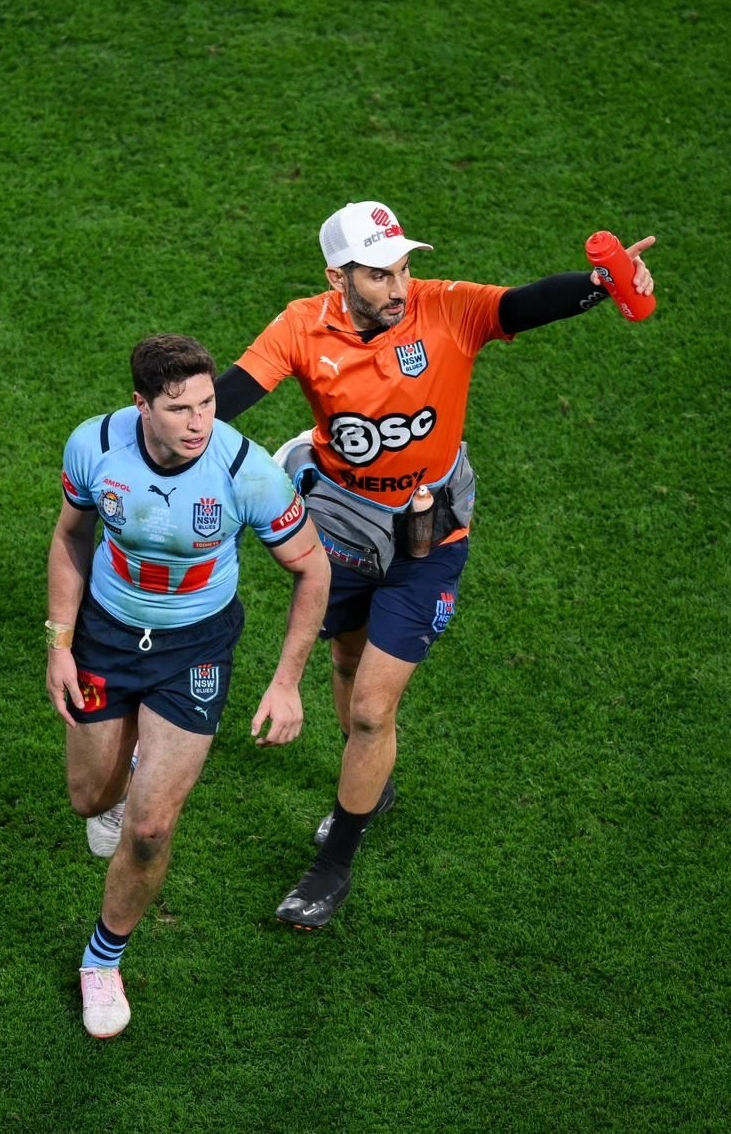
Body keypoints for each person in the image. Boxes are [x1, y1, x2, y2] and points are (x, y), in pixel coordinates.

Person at [211, 199, 656, 931]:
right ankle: (371, 785)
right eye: (380, 274)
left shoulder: (443, 309)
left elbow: (521, 304)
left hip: (429, 532)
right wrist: (156, 426)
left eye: (403, 266)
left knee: (368, 709)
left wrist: (600, 282)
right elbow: (233, 394)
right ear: (338, 276)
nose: (399, 286)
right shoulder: (300, 325)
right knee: (347, 665)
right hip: (341, 525)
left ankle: (333, 866)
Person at [46, 333, 330, 1037]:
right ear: (141, 405)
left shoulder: (246, 472)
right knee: (90, 801)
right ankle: (129, 765)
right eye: (179, 408)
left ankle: (102, 959)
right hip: (105, 639)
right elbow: (71, 537)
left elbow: (312, 568)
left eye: (206, 403)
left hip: (193, 653)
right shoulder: (95, 446)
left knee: (147, 828)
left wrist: (286, 682)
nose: (200, 421)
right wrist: (57, 643)